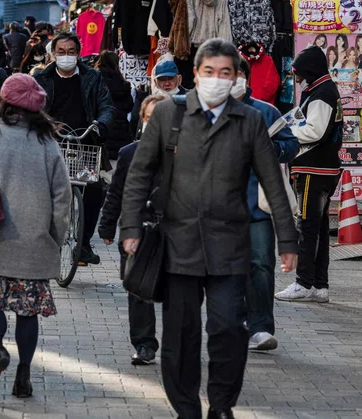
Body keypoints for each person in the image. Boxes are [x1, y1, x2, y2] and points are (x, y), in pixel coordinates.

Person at [119, 38, 299, 419]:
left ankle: (221, 404)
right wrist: (130, 226)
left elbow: (272, 180)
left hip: (230, 244)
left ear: (236, 78)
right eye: (209, 72)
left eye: (225, 73)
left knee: (227, 330)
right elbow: (139, 173)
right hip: (178, 244)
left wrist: (287, 238)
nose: (218, 80)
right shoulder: (169, 114)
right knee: (180, 336)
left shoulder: (250, 119)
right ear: (195, 75)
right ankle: (186, 408)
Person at [0, 74, 72, 398]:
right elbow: (63, 197)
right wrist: (55, 239)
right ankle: (24, 375)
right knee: (27, 312)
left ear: (2, 101)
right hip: (33, 243)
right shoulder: (48, 144)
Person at [229, 60, 299, 352]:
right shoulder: (209, 112)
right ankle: (237, 325)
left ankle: (261, 328)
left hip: (258, 204)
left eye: (239, 74)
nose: (234, 80)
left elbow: (291, 144)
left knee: (261, 265)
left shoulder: (266, 111)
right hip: (222, 206)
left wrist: (273, 149)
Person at [33, 33, 114, 265]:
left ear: (78, 54)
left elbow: (107, 106)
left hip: (85, 142)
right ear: (53, 54)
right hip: (51, 143)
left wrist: (101, 125)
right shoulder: (41, 78)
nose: (66, 56)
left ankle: (84, 244)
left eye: (71, 52)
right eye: (61, 51)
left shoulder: (93, 76)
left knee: (95, 191)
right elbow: (31, 107)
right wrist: (41, 123)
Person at [98, 94, 167, 366]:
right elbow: (116, 192)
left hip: (174, 229)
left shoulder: (188, 152)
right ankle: (144, 343)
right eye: (150, 118)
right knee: (138, 289)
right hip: (137, 229)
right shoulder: (129, 153)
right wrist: (106, 225)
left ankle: (177, 341)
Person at [276, 46, 342, 304]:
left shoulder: (322, 94)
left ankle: (303, 283)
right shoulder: (322, 90)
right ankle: (319, 285)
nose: (298, 78)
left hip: (314, 169)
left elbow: (314, 131)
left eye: (300, 73)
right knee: (319, 227)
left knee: (306, 226)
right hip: (321, 169)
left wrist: (286, 133)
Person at [95, 51, 134, 160]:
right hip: (121, 131)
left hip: (101, 130)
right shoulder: (123, 83)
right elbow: (129, 106)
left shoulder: (95, 80)